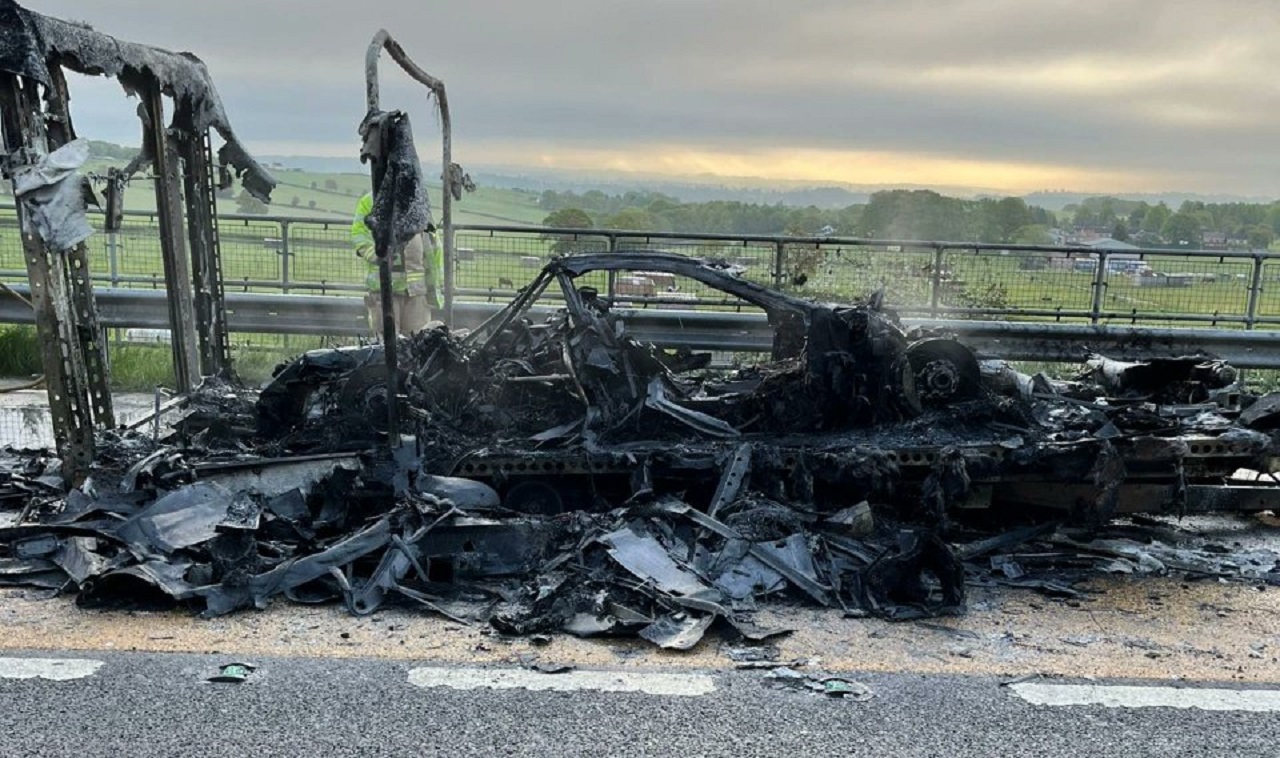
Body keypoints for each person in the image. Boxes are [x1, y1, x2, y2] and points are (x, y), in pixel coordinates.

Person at [350, 191, 444, 336]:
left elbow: (433, 246)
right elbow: (360, 235)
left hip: (417, 293)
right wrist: (379, 256)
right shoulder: (371, 201)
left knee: (418, 345)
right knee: (386, 346)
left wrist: (433, 287)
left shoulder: (418, 200)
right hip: (385, 290)